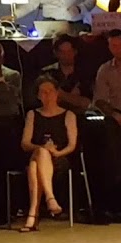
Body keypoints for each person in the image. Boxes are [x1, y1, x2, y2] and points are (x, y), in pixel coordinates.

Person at [16, 76, 79, 232]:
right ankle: (50, 199)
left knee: (34, 166)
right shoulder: (32, 114)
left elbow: (72, 145)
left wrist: (56, 153)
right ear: (38, 96)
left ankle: (33, 215)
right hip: (37, 153)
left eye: (50, 91)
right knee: (40, 154)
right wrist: (42, 149)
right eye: (43, 92)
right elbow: (25, 143)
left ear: (57, 93)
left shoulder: (68, 115)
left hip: (59, 159)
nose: (47, 95)